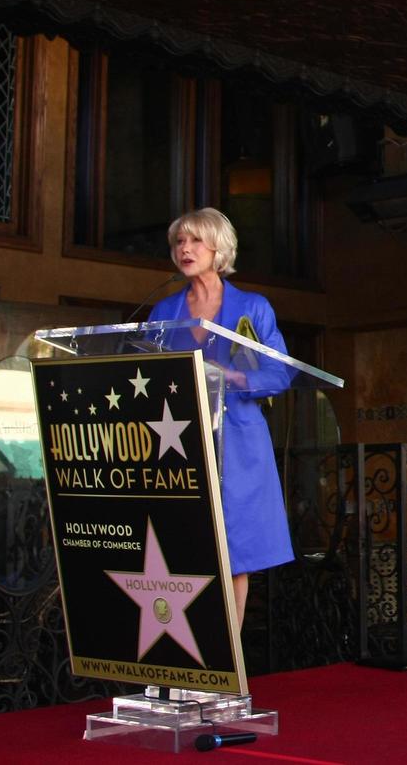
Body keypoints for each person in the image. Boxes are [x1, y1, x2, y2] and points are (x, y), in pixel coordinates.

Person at [147, 207, 293, 626]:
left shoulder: (252, 307)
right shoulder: (164, 311)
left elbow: (279, 372)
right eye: (179, 241)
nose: (186, 249)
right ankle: (185, 658)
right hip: (176, 444)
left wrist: (231, 377)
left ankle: (228, 666)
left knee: (233, 554)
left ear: (218, 247)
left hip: (238, 446)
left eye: (195, 240)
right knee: (179, 551)